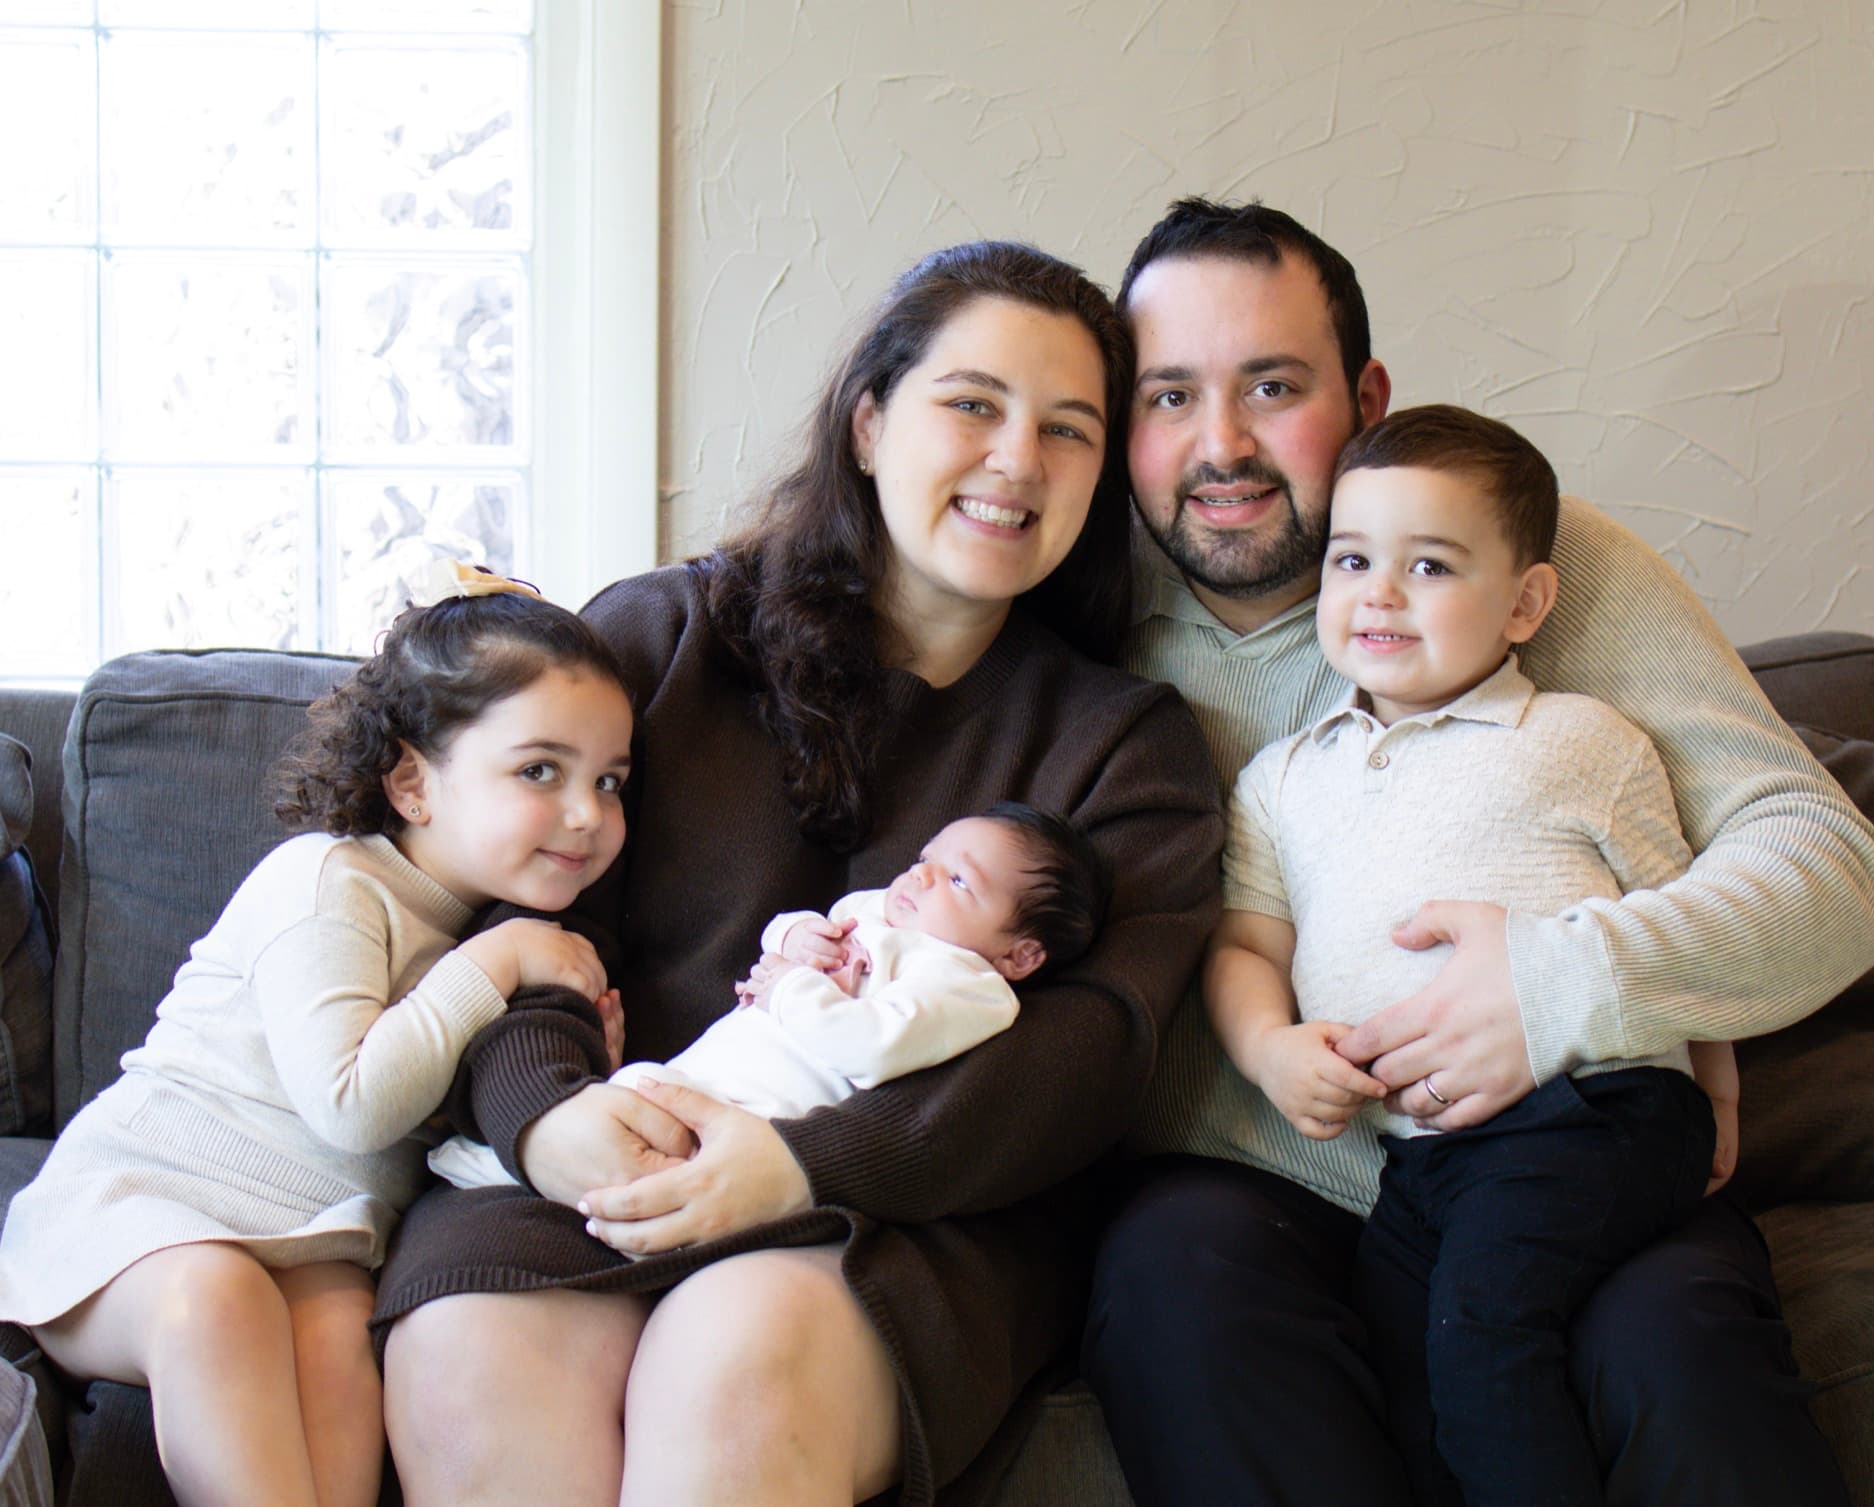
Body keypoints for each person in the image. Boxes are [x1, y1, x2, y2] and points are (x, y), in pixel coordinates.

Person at [372, 241, 1222, 1507]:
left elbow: (1092, 1052)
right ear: (870, 424)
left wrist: (808, 1164)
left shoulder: (1124, 745)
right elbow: (519, 915)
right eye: (972, 405)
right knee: (468, 1348)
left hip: (906, 1214)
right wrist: (547, 1117)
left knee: (735, 1361)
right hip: (604, 1148)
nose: (1015, 461)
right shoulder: (656, 641)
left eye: (1067, 429)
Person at [1082, 197, 1874, 1506]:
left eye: (1273, 386)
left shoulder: (1536, 556)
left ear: (1365, 397)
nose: (1219, 444)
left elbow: (1833, 872)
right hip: (1272, 1172)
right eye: (1168, 394)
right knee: (1172, 1274)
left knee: (1676, 1335)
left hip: (1567, 1147)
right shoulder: (1068, 603)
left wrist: (1565, 980)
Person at [0, 578, 634, 1507]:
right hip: (140, 1210)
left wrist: (586, 1071)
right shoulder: (326, 881)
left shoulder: (486, 937)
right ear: (413, 783)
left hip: (316, 1242)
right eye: (541, 770)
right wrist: (495, 966)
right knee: (219, 1298)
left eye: (609, 780)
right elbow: (354, 1102)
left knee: (341, 1336)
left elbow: (446, 1136)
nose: (587, 812)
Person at [1209, 404, 1737, 1507]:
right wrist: (1266, 1051)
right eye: (1351, 558)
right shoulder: (1281, 778)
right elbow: (1247, 941)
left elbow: (1684, 918)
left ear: (1524, 602)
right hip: (1425, 1156)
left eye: (1430, 565)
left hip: (1594, 1111)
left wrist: (1716, 1094)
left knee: (1480, 1335)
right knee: (1401, 1354)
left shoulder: (1578, 739)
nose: (1379, 593)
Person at [427, 802, 1111, 1190]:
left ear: (1020, 954)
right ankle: (532, 1159)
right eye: (927, 857)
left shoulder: (970, 986)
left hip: (763, 1115)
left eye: (960, 882)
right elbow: (789, 929)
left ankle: (515, 1176)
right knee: (631, 1093)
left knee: (654, 1130)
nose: (924, 877)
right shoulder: (883, 911)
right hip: (715, 1070)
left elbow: (872, 1047)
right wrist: (796, 941)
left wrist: (793, 988)